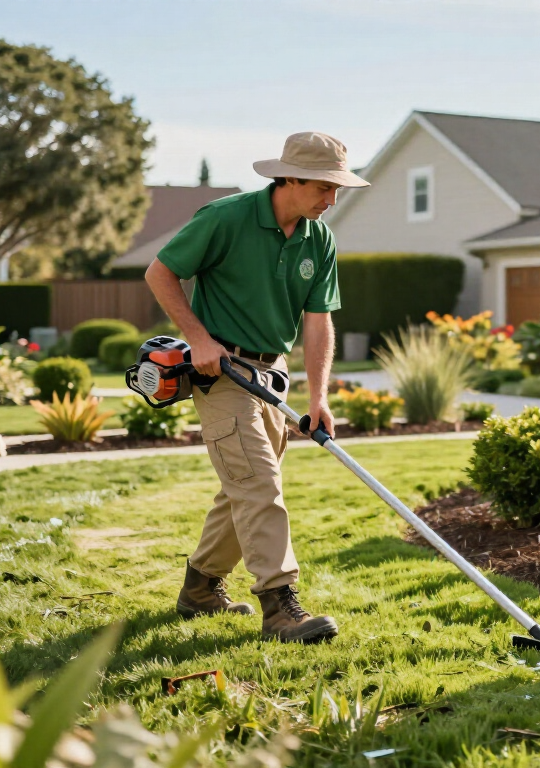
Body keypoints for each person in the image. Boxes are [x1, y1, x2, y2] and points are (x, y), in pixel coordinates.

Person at [144, 132, 368, 642]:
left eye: (338, 190)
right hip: (220, 372)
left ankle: (200, 587)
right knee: (259, 485)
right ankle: (280, 605)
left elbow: (318, 321)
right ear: (288, 178)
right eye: (323, 188)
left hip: (271, 376)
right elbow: (160, 272)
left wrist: (318, 398)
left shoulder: (318, 238)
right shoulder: (227, 218)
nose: (332, 200)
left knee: (242, 487)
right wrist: (197, 338)